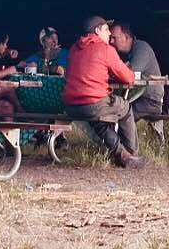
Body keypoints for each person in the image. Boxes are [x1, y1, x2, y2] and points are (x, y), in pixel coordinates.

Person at [62, 15, 144, 168]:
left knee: (100, 123)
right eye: (106, 30)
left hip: (71, 106)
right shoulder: (105, 49)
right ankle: (132, 154)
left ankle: (122, 154)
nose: (109, 34)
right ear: (97, 31)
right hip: (93, 103)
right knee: (126, 108)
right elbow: (128, 78)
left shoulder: (73, 49)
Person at [108, 20, 163, 154]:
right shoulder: (125, 53)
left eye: (114, 38)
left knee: (122, 115)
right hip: (134, 97)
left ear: (126, 37)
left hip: (149, 100)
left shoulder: (141, 49)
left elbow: (130, 74)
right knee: (112, 111)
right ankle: (116, 150)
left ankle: (127, 153)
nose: (111, 41)